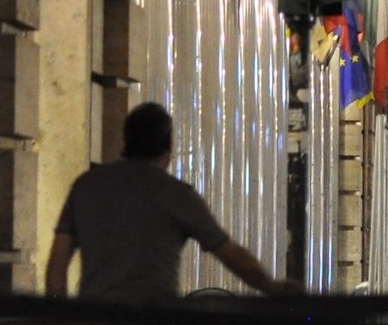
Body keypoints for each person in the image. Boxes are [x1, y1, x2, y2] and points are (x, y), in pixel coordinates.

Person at [45, 102, 300, 303]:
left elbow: (56, 271)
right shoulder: (176, 195)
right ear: (168, 144)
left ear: (126, 140)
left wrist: (62, 316)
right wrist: (270, 286)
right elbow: (230, 254)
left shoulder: (86, 186)